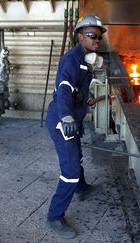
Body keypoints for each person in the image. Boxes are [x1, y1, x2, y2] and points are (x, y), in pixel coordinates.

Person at [45, 13, 107, 239]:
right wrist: (67, 118)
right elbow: (63, 88)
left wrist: (88, 98)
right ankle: (54, 216)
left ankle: (82, 189)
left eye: (98, 37)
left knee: (77, 156)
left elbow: (78, 91)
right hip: (62, 121)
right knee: (70, 171)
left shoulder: (86, 61)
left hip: (73, 119)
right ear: (80, 37)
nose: (96, 41)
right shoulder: (72, 58)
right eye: (92, 36)